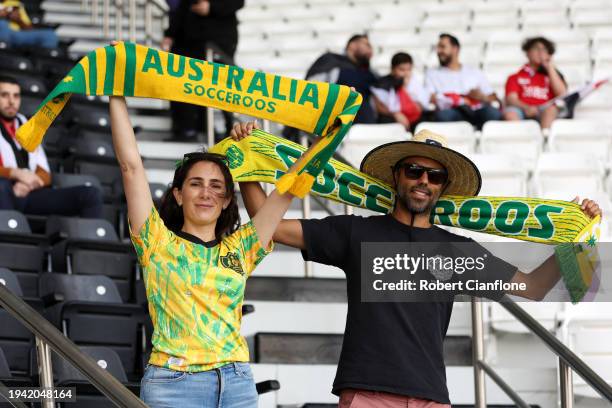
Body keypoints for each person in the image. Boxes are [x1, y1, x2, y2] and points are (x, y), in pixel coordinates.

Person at [231, 121, 602, 407]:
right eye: (414, 170)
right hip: (366, 394)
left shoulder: (458, 250)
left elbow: (533, 288)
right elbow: (271, 227)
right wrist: (248, 162)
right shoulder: (355, 233)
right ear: (397, 175)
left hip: (429, 396)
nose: (423, 180)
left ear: (442, 187)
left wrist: (574, 240)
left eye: (435, 175)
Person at [109, 91, 323, 405]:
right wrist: (116, 92)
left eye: (216, 186)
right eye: (196, 183)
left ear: (225, 201)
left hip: (236, 384)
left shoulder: (242, 247)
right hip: (173, 386)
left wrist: (322, 141)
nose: (205, 193)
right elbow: (131, 167)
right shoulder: (155, 239)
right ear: (179, 194)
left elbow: (286, 191)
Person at [0, 76, 102, 217]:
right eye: (4, 95)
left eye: (16, 96)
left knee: (90, 194)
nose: (11, 101)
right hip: (5, 192)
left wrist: (29, 184)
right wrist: (16, 173)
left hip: (30, 193)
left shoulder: (27, 125)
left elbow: (45, 174)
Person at [162, 0, 243, 142]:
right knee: (184, 82)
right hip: (189, 39)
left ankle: (230, 127)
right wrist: (170, 34)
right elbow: (183, 7)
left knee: (222, 84)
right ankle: (189, 128)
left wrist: (212, 7)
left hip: (218, 40)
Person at [426, 33, 501, 129]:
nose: (438, 51)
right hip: (452, 110)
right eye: (438, 48)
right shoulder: (432, 73)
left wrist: (481, 97)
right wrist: (457, 99)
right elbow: (430, 97)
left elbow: (492, 97)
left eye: (442, 47)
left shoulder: (474, 72)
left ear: (455, 49)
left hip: (475, 110)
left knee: (493, 113)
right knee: (443, 116)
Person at [306, 34, 378, 124]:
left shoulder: (369, 73)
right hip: (335, 126)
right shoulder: (331, 61)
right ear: (352, 45)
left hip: (368, 127)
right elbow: (312, 89)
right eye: (366, 44)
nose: (370, 49)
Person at [503, 37, 567, 130]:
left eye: (544, 50)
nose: (540, 52)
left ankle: (544, 141)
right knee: (510, 114)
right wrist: (527, 107)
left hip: (545, 109)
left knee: (551, 110)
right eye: (536, 48)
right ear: (528, 53)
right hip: (522, 109)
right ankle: (519, 141)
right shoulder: (515, 77)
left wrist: (550, 67)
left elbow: (562, 94)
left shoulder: (552, 76)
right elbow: (511, 99)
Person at [371, 52, 430, 130]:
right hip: (392, 118)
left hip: (413, 119)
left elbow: (421, 106)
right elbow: (379, 107)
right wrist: (395, 114)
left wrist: (404, 88)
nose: (406, 73)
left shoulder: (415, 82)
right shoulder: (382, 83)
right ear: (392, 69)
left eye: (408, 69)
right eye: (401, 69)